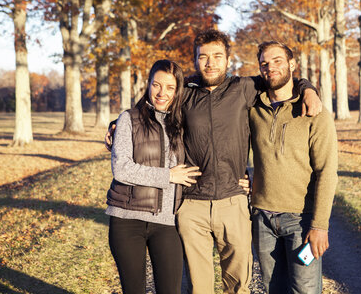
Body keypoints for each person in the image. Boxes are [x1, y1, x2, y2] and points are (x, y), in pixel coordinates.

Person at [106, 29, 323, 293]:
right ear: (195, 60)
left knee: (238, 286)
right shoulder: (184, 92)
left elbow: (280, 79)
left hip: (233, 204)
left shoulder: (244, 88)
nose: (211, 62)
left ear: (228, 59)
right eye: (203, 57)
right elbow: (152, 106)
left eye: (217, 56)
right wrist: (117, 123)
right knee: (199, 288)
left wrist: (308, 88)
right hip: (191, 206)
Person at [248, 41, 338, 294]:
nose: (270, 67)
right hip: (263, 218)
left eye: (277, 61)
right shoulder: (254, 109)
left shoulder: (314, 112)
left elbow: (327, 172)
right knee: (272, 288)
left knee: (304, 290)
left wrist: (320, 225)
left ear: (292, 64)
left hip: (301, 220)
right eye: (264, 63)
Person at [106, 59, 201, 294]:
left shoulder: (180, 123)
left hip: (166, 223)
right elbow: (122, 168)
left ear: (178, 90)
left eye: (170, 87)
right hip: (126, 220)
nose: (162, 93)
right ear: (148, 84)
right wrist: (168, 176)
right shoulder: (128, 119)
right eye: (157, 85)